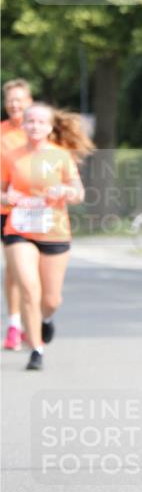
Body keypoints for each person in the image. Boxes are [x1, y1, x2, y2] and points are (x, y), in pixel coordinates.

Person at [1, 103, 94, 370]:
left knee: (51, 299)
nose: (34, 126)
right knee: (30, 290)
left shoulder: (61, 156)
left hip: (54, 231)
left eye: (41, 122)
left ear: (50, 127)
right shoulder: (10, 156)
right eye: (30, 121)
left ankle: (46, 319)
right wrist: (8, 197)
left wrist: (65, 191)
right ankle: (36, 349)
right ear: (24, 125)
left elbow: (79, 193)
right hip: (19, 230)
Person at [1, 79, 33, 350]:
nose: (15, 104)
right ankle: (14, 325)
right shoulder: (1, 134)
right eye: (10, 100)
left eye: (20, 99)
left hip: (39, 212)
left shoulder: (41, 131)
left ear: (29, 101)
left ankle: (32, 320)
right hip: (8, 210)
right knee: (14, 269)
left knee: (34, 273)